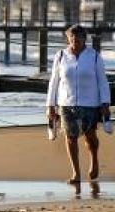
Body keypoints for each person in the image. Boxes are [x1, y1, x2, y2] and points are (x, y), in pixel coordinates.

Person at [46, 25, 111, 184]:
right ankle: (76, 173)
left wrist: (105, 103)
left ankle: (94, 160)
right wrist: (50, 105)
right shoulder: (61, 55)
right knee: (70, 138)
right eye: (72, 38)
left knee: (90, 137)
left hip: (90, 103)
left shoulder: (94, 56)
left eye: (78, 38)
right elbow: (54, 82)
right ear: (68, 38)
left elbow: (102, 81)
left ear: (84, 39)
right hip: (66, 103)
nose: (75, 41)